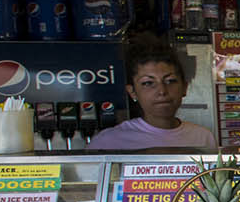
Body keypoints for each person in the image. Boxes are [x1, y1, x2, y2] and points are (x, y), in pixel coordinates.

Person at [89, 36, 217, 151]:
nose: (162, 91)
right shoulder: (108, 142)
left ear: (184, 88)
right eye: (148, 83)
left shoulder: (203, 137)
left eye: (170, 81)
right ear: (132, 92)